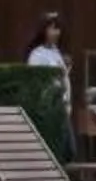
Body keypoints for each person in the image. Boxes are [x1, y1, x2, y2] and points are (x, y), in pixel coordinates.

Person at [26, 14, 74, 161]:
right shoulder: (37, 54)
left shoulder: (56, 52)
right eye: (52, 29)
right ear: (43, 31)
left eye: (57, 29)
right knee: (65, 148)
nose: (56, 33)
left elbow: (62, 78)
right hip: (50, 106)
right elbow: (38, 81)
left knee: (68, 149)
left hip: (63, 105)